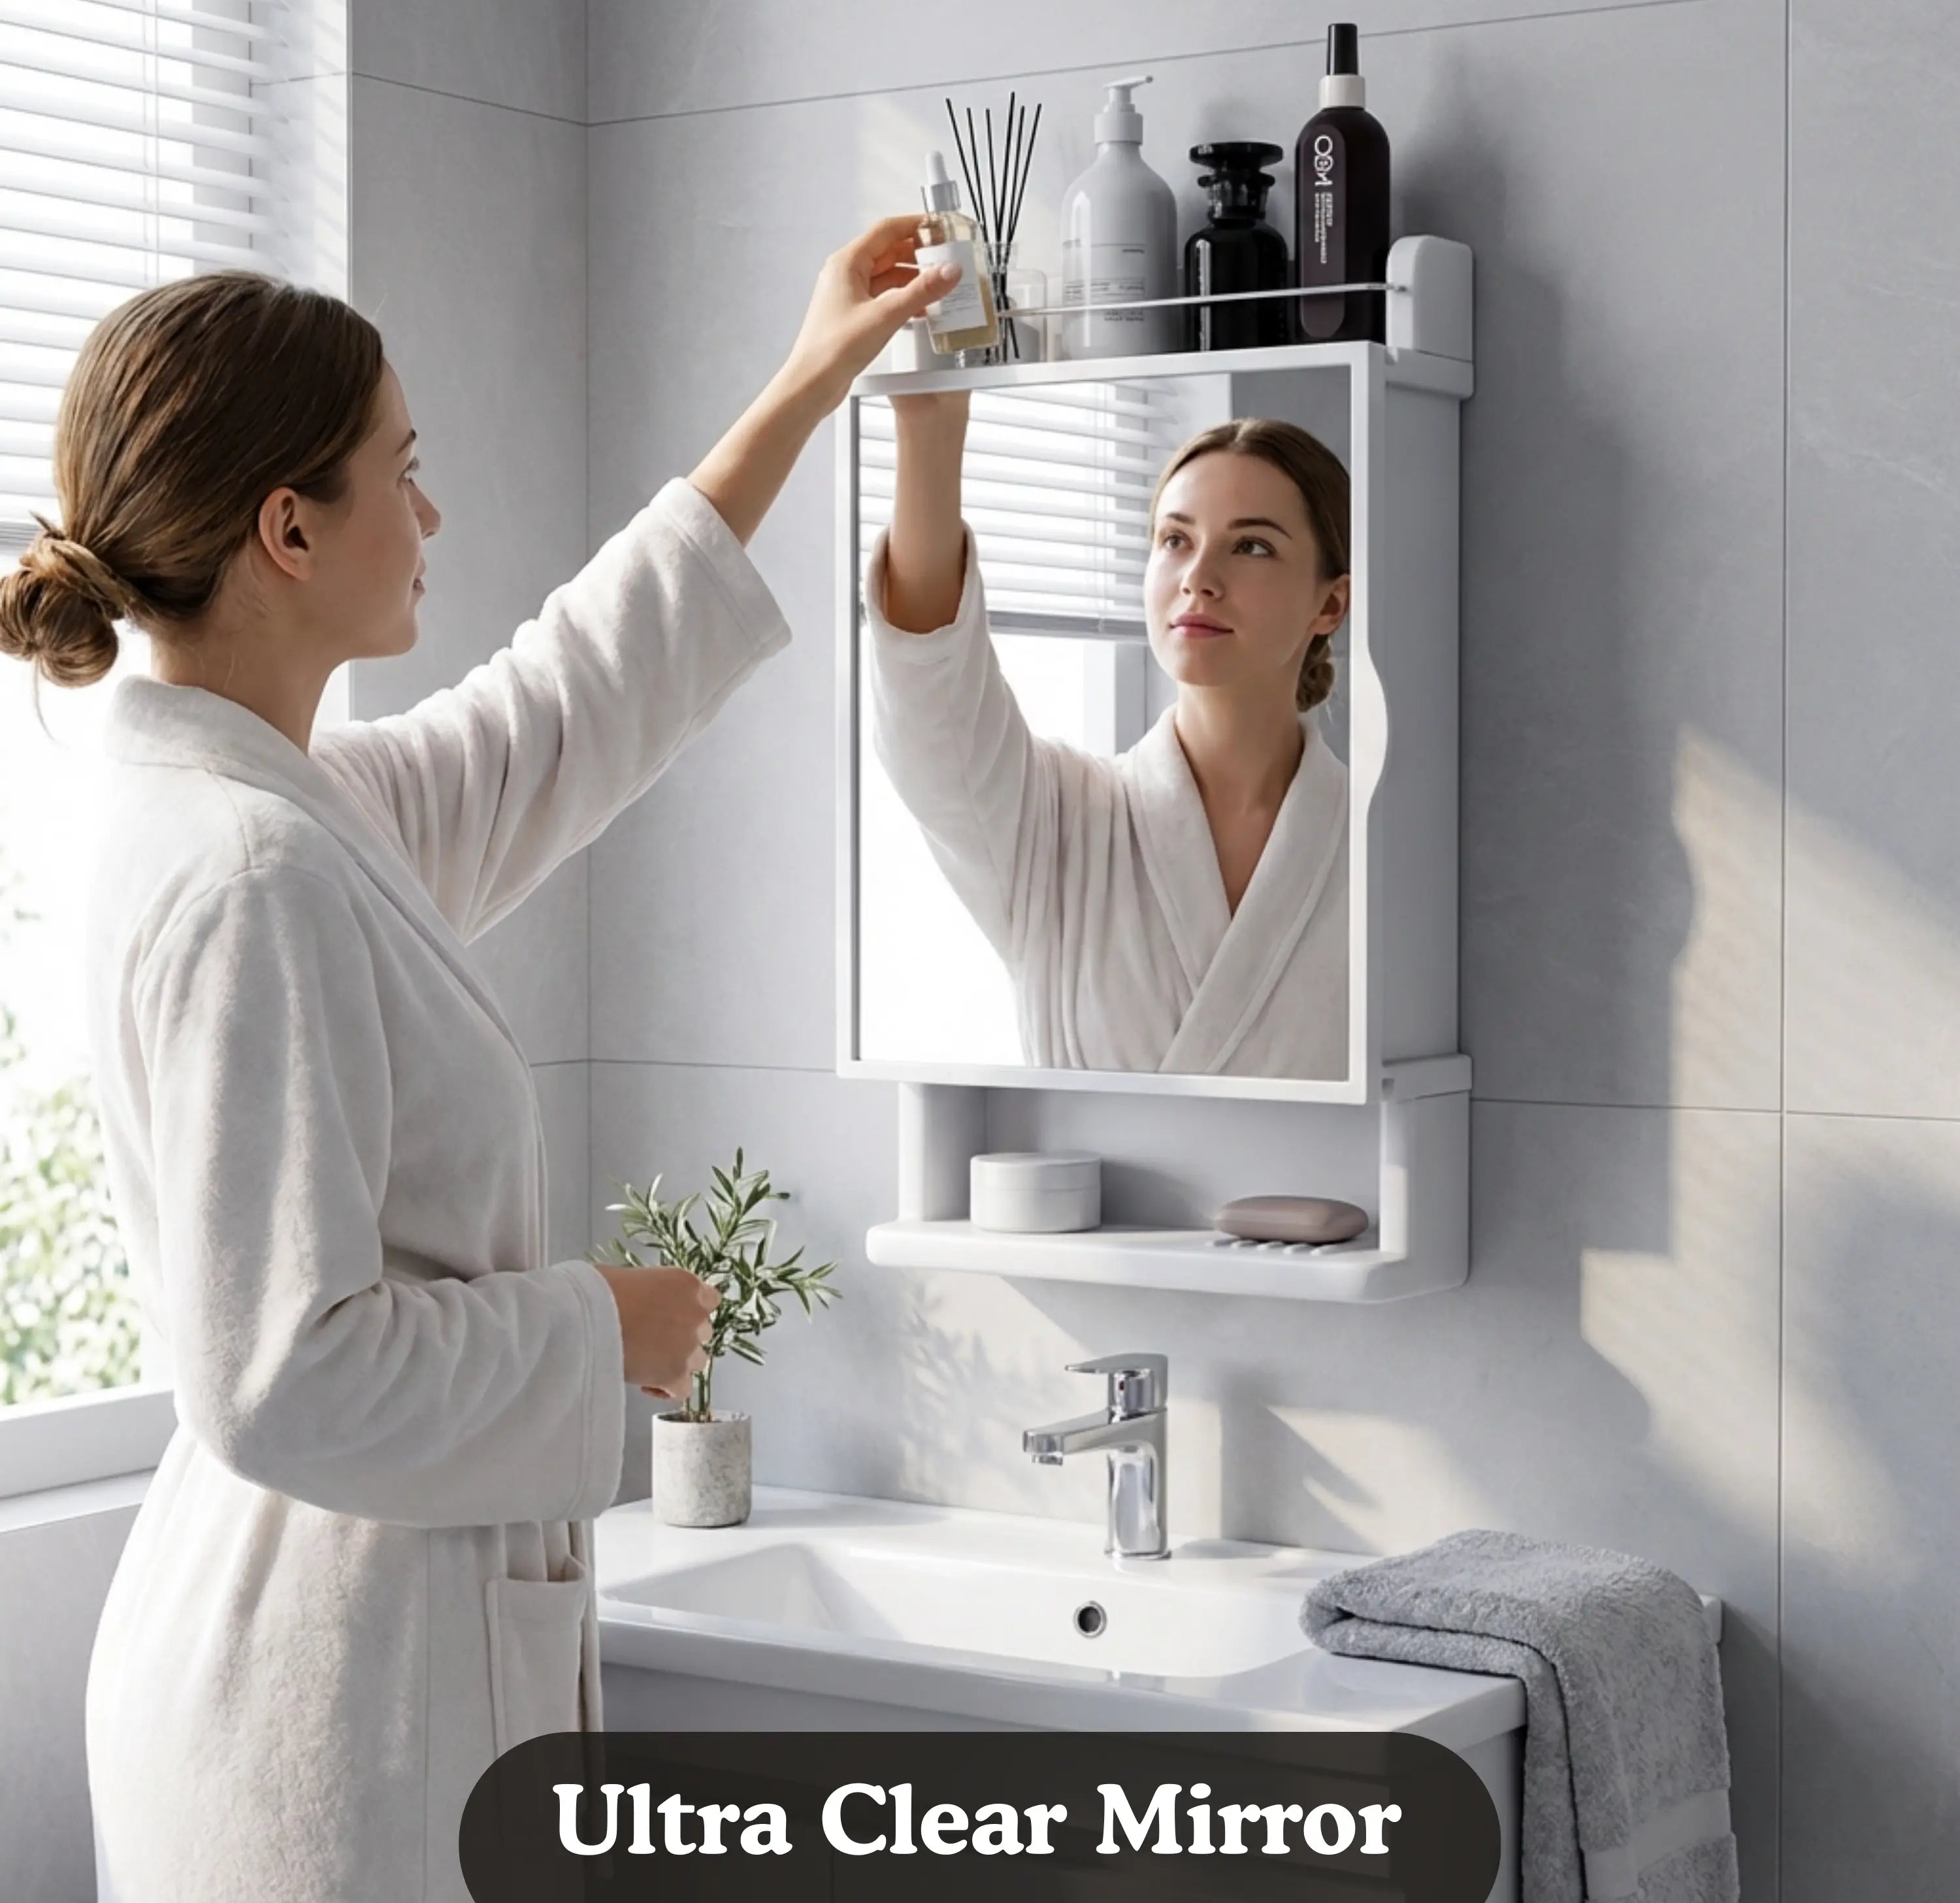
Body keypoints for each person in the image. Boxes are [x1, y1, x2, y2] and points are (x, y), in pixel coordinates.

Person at [0, 223, 960, 1903]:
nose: (430, 515)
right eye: (403, 471)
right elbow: (280, 1375)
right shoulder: (252, 871)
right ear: (287, 527)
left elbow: (568, 700)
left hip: (342, 1669)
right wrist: (604, 1324)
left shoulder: (294, 814)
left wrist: (808, 383)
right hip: (324, 1728)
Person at [865, 390, 1353, 1078]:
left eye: (1252, 546)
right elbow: (930, 696)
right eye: (1175, 540)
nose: (1198, 579)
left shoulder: (1376, 846)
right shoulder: (1056, 821)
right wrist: (929, 425)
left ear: (1330, 603)